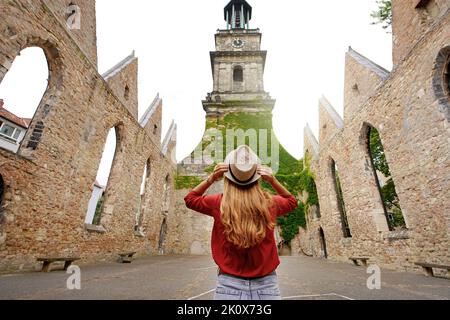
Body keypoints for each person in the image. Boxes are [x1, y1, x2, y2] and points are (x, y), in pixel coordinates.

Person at [184, 145, 298, 300]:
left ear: (228, 176)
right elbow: (291, 202)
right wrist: (272, 180)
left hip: (228, 285)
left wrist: (211, 178)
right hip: (266, 285)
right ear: (256, 176)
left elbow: (190, 199)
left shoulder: (219, 203)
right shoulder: (270, 203)